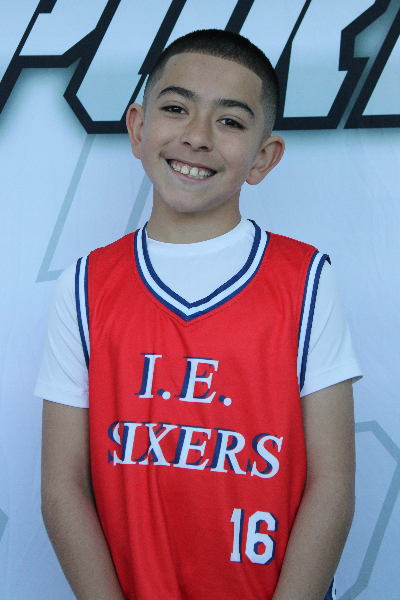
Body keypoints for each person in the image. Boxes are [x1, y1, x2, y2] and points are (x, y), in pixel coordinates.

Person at [36, 29, 361, 600]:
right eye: (176, 108)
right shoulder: (85, 286)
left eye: (230, 121)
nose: (197, 136)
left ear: (263, 157)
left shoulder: (306, 280)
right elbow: (63, 486)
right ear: (138, 128)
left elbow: (332, 483)